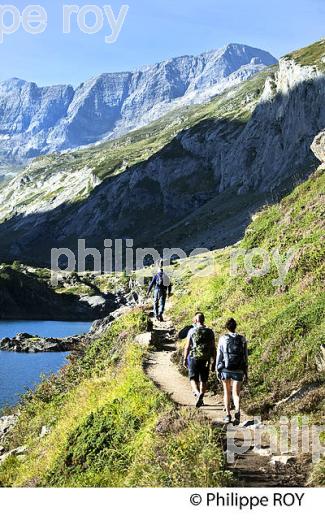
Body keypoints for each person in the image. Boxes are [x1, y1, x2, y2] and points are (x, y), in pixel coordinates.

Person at [216, 318, 248, 425]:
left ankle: (228, 415)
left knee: (226, 392)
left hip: (226, 369)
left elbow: (219, 355)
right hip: (238, 369)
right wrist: (245, 371)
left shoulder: (223, 339)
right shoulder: (242, 339)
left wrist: (217, 369)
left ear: (227, 327)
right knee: (236, 393)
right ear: (235, 326)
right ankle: (238, 410)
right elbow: (245, 356)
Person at [183, 312, 216, 408]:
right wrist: (214, 360)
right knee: (204, 379)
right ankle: (201, 396)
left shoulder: (192, 331)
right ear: (203, 320)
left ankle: (198, 394)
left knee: (193, 378)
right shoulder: (210, 332)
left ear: (196, 320)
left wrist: (185, 358)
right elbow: (213, 347)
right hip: (206, 358)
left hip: (194, 357)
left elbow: (187, 346)